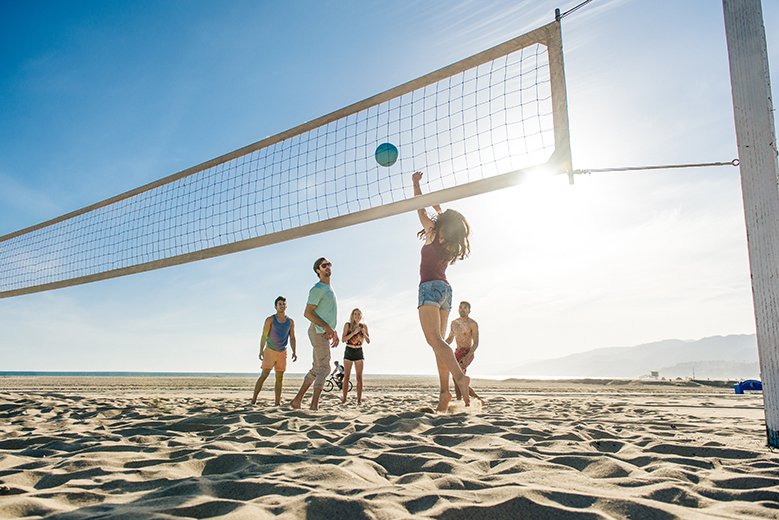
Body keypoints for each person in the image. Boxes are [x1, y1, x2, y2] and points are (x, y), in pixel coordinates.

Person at [412, 170, 473, 411]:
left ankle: (459, 378)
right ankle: (444, 393)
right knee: (439, 345)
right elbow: (442, 218)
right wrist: (440, 210)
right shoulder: (451, 240)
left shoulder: (433, 233)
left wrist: (416, 185)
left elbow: (419, 208)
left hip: (429, 288)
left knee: (435, 340)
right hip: (446, 291)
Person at [291, 257, 339, 411]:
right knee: (325, 369)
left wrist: (333, 331)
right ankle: (314, 406)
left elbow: (327, 314)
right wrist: (326, 328)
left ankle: (297, 401)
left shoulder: (328, 289)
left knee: (317, 369)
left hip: (323, 331)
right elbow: (307, 313)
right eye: (324, 266)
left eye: (329, 264)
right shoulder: (317, 289)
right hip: (318, 332)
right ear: (318, 271)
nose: (328, 267)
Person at [251, 296, 297, 406]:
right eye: (279, 304)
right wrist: (261, 350)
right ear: (275, 307)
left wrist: (294, 351)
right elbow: (264, 335)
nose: (282, 305)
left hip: (282, 352)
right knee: (264, 375)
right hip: (270, 351)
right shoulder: (270, 319)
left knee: (279, 378)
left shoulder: (290, 322)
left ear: (286, 306)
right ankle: (253, 400)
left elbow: (292, 337)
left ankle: (277, 403)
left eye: (283, 304)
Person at [446, 300, 481, 401]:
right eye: (461, 307)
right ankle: (463, 400)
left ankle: (471, 400)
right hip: (457, 352)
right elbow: (450, 339)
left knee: (458, 378)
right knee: (456, 378)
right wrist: (440, 345)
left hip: (467, 352)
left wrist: (467, 356)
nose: (462, 309)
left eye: (465, 308)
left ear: (469, 310)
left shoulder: (473, 324)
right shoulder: (454, 323)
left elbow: (476, 343)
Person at [341, 308, 370, 404]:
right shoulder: (348, 325)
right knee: (346, 377)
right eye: (355, 314)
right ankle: (344, 399)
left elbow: (368, 341)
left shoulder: (364, 326)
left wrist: (364, 333)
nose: (357, 316)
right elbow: (343, 339)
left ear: (361, 316)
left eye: (358, 314)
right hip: (349, 351)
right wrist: (354, 332)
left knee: (359, 377)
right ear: (352, 316)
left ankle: (359, 400)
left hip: (358, 351)